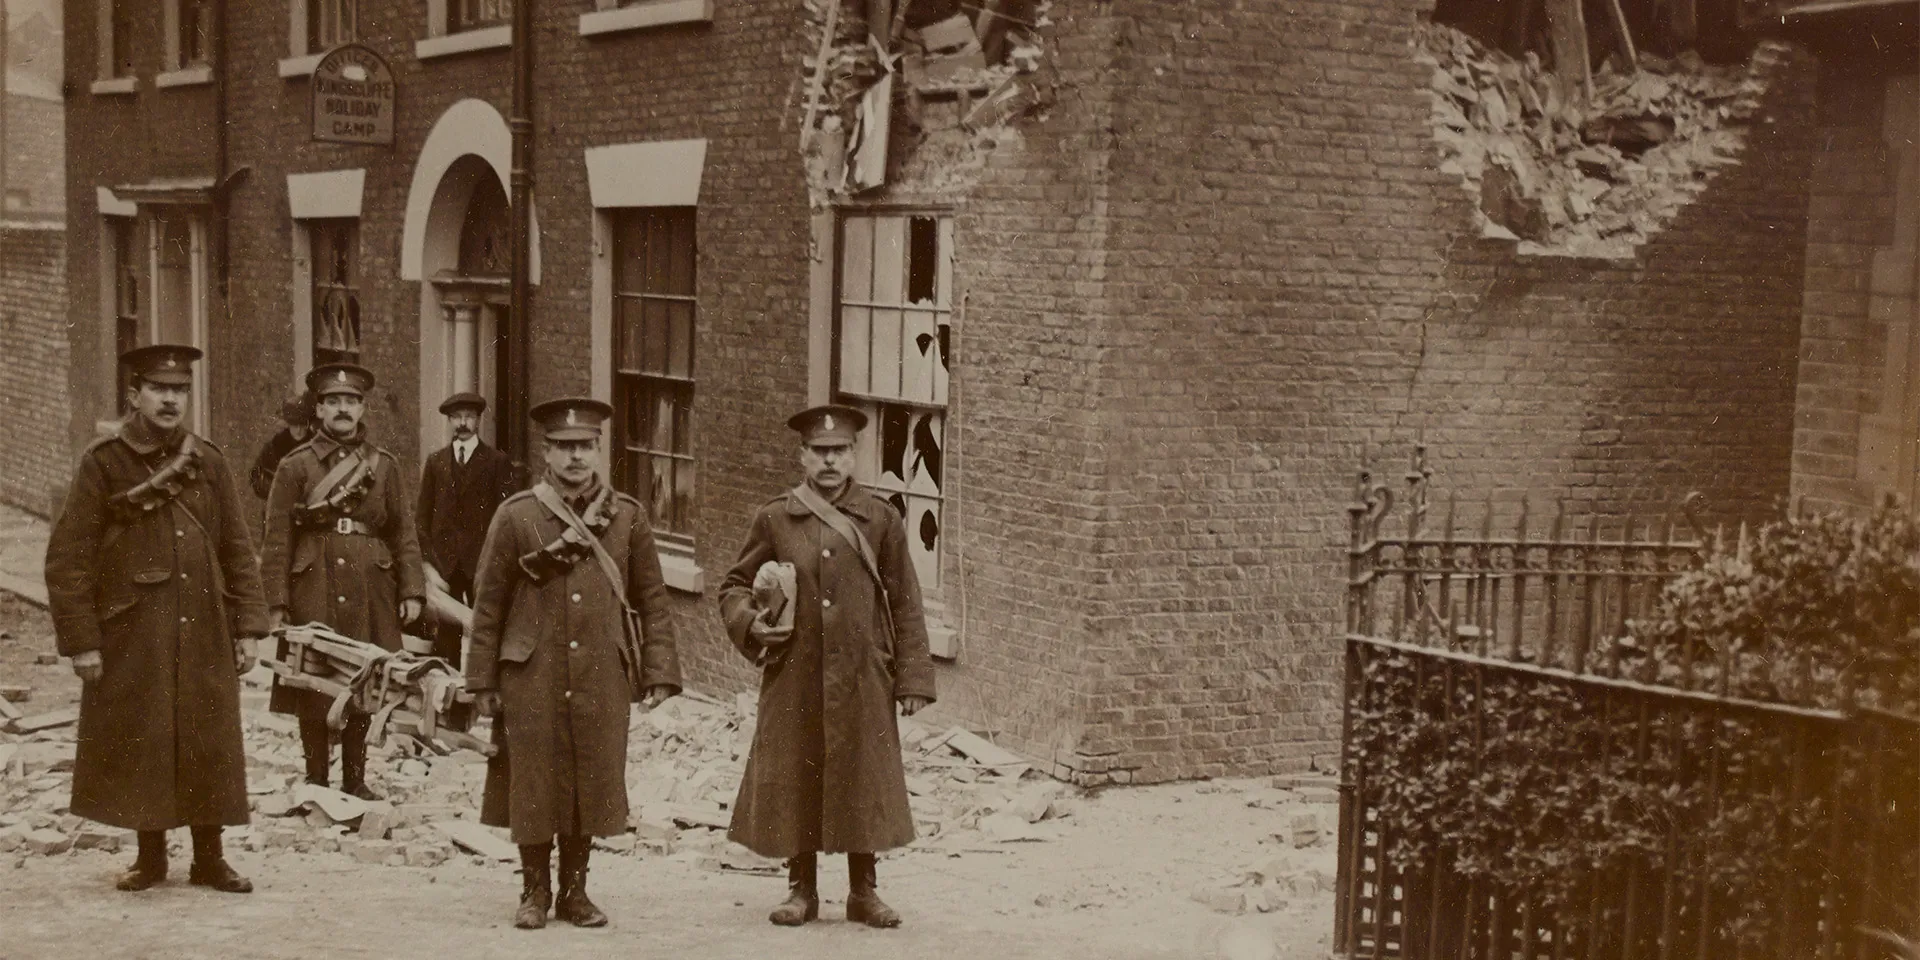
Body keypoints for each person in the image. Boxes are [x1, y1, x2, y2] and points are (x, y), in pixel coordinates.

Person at [43, 344, 268, 893]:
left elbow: (236, 546)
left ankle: (210, 859)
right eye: (159, 389)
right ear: (134, 395)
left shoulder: (207, 459)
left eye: (180, 390)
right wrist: (82, 641)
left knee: (208, 735)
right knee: (145, 737)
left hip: (205, 622)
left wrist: (248, 627)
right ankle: (151, 858)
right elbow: (69, 557)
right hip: (135, 627)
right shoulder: (104, 461)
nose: (171, 400)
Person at [465, 397, 681, 930]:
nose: (576, 457)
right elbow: (488, 602)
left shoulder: (626, 515)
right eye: (565, 447)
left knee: (590, 775)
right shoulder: (517, 515)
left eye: (585, 446)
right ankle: (534, 890)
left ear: (599, 449)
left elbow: (652, 598)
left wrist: (659, 670)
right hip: (531, 670)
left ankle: (575, 892)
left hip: (601, 670)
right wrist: (482, 679)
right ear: (547, 453)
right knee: (533, 778)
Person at [719, 403, 937, 929]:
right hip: (795, 672)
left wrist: (912, 677)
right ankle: (802, 889)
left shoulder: (882, 519)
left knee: (863, 775)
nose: (830, 461)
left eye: (839, 451)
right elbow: (733, 586)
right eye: (819, 452)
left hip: (863, 672)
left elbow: (905, 601)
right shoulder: (775, 517)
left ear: (854, 454)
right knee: (798, 770)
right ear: (802, 456)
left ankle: (864, 890)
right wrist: (753, 623)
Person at [260, 362, 425, 801]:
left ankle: (355, 778)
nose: (342, 409)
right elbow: (276, 537)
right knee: (312, 676)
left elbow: (403, 532)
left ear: (362, 408)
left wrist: (412, 589)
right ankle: (316, 779)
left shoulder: (384, 466)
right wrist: (276, 602)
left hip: (372, 583)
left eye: (351, 401)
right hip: (313, 580)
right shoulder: (295, 465)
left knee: (367, 676)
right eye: (333, 401)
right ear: (318, 409)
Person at [415, 391, 524, 664]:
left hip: (482, 563)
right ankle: (445, 684)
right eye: (457, 417)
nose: (462, 423)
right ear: (449, 421)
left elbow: (507, 516)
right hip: (445, 565)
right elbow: (422, 518)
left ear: (478, 420)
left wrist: (498, 560)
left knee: (487, 630)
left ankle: (485, 683)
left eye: (469, 417)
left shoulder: (497, 462)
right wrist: (428, 564)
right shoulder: (436, 462)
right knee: (446, 637)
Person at [249, 392, 315, 501]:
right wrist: (276, 491)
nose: (299, 430)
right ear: (288, 424)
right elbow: (256, 477)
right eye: (295, 425)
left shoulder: (316, 445)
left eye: (303, 425)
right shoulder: (274, 446)